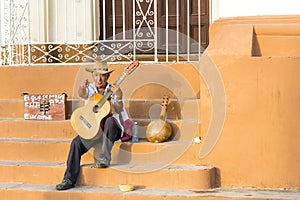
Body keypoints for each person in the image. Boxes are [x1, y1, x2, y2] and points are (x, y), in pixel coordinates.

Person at [56, 61, 133, 190]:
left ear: (107, 77)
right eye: (96, 75)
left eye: (102, 76)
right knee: (75, 143)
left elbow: (118, 109)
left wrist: (118, 96)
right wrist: (81, 87)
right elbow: (82, 94)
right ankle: (69, 179)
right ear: (93, 76)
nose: (99, 79)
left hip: (110, 130)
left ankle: (104, 158)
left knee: (110, 121)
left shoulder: (113, 90)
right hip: (94, 130)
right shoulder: (90, 88)